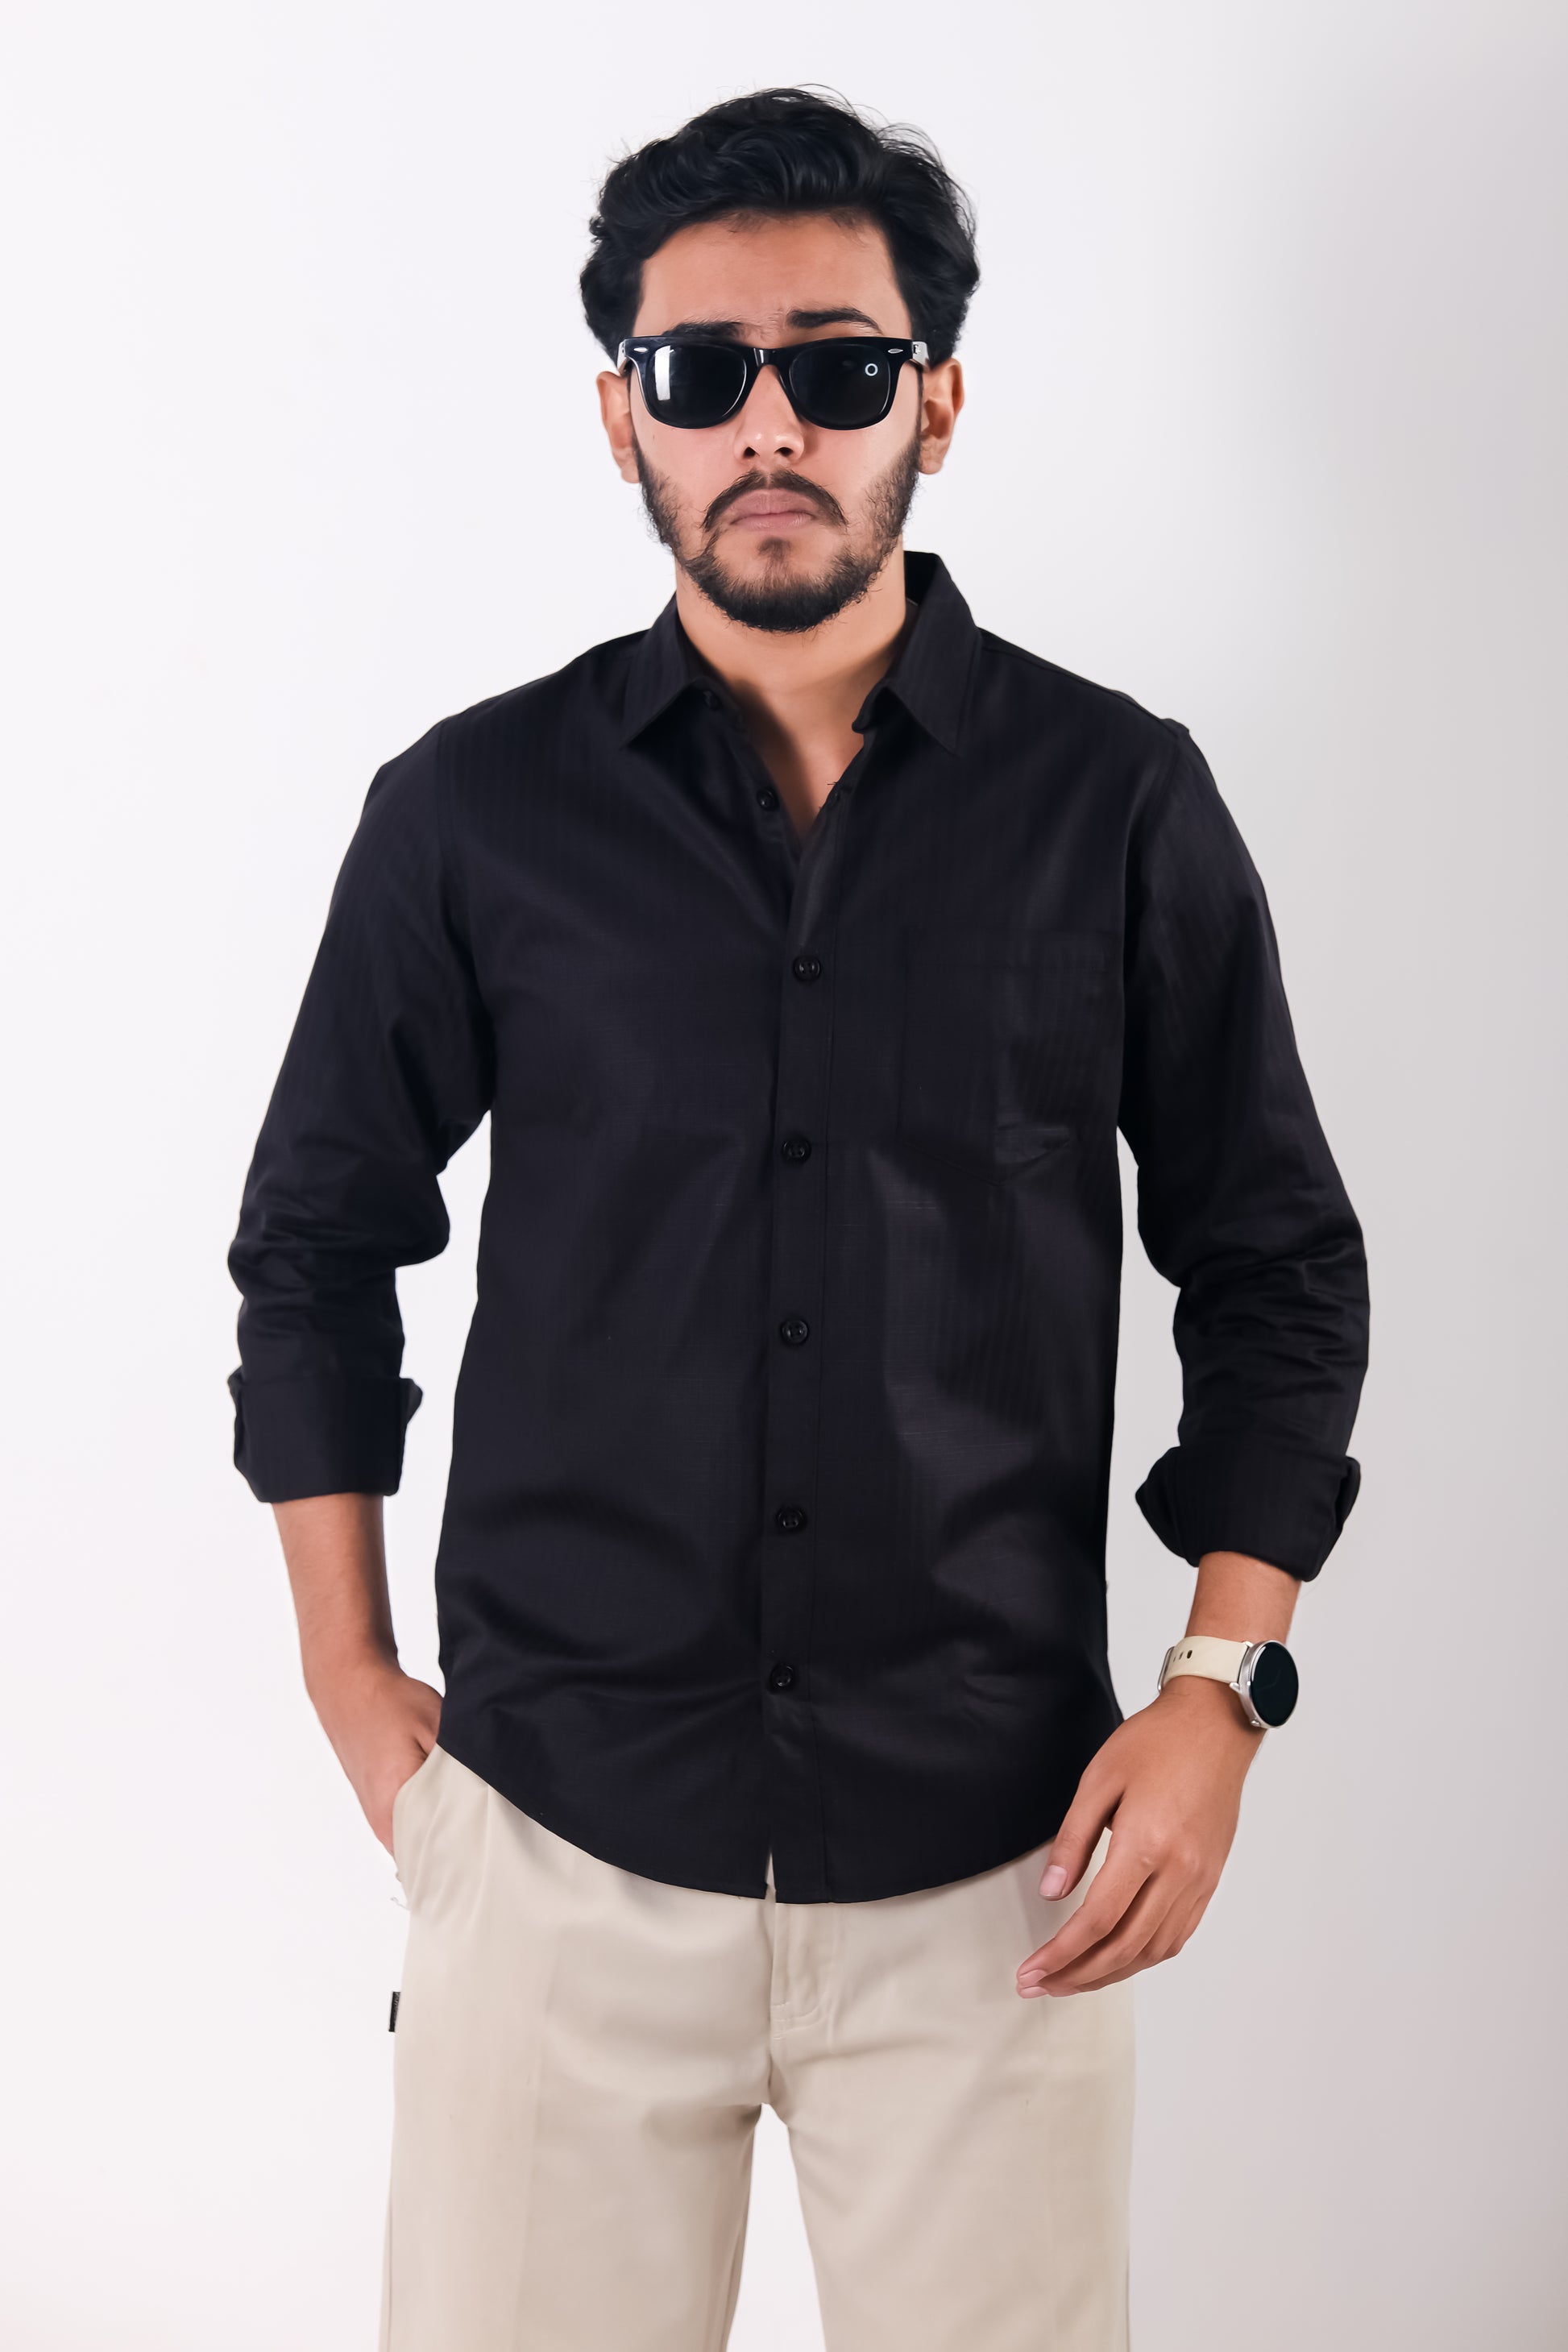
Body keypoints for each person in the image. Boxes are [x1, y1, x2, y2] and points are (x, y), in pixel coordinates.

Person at [227, 85, 1369, 2352]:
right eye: (701, 370)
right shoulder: (471, 814)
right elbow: (317, 1246)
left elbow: (1274, 1260)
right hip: (554, 1846)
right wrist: (346, 1681)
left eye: (838, 368)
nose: (770, 425)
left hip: (999, 1873)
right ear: (621, 420)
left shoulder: (1116, 802)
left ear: (932, 400)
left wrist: (1219, 1690)